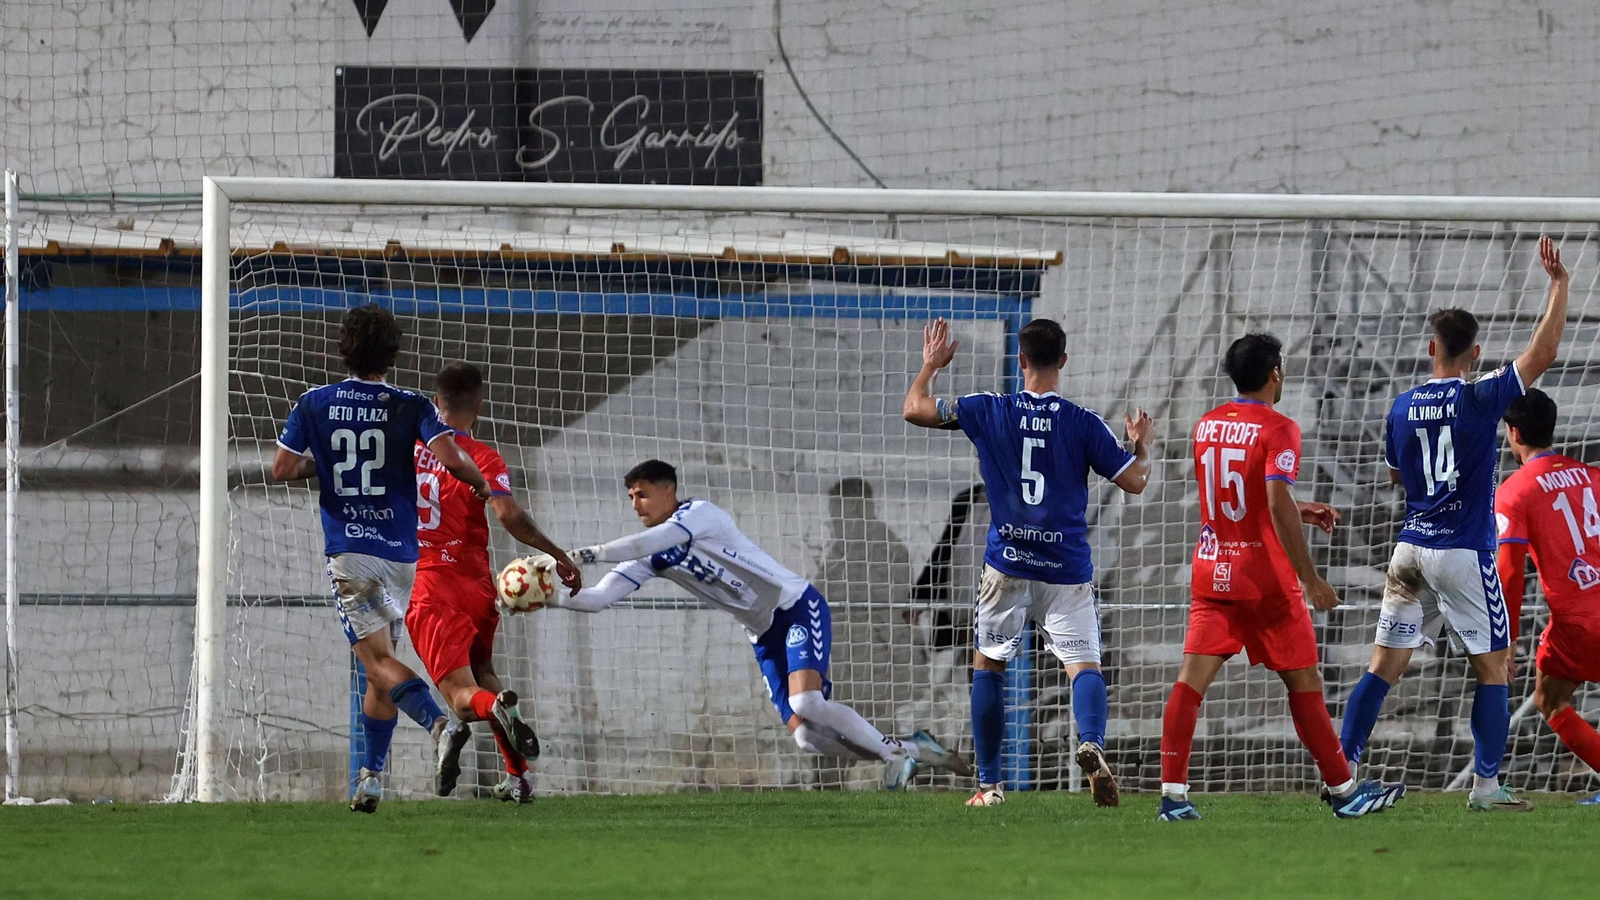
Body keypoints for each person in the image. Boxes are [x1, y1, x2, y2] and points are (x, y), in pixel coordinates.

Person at [548, 460, 971, 787]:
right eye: (630, 498)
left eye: (641, 495)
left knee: (807, 704)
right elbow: (597, 599)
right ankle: (908, 748)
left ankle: (897, 755)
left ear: (668, 491)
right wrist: (548, 597)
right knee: (805, 737)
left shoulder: (701, 514)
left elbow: (655, 539)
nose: (636, 505)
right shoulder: (645, 557)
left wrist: (588, 552)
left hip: (795, 607)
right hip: (764, 634)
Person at [1339, 235, 1569, 812]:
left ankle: (1343, 770)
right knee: (1493, 669)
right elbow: (1540, 357)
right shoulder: (1480, 395)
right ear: (1475, 352)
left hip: (1410, 550)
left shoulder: (1401, 405)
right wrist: (1559, 285)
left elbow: (1395, 477)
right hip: (1464, 550)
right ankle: (1487, 789)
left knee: (1382, 667)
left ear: (1431, 347)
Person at [903, 316, 1151, 807]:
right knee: (1083, 667)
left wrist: (930, 366)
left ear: (1020, 360)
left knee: (988, 667)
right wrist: (1141, 441)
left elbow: (913, 409)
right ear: (1063, 360)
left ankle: (990, 787)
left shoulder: (987, 409)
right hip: (1065, 569)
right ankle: (1092, 744)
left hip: (1007, 564)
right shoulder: (1083, 422)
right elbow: (1136, 480)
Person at [1156, 333, 1405, 821]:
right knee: (1304, 681)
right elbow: (1270, 499)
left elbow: (1235, 498)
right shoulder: (1280, 428)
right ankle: (1344, 793)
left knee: (1189, 684)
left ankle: (1172, 797)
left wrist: (1302, 508)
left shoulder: (1205, 426)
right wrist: (1310, 577)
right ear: (1275, 373)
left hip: (1213, 570)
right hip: (1265, 578)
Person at [270, 303, 489, 813]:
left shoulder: (314, 402)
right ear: (391, 353)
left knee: (374, 660)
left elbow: (282, 467)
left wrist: (329, 469)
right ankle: (370, 777)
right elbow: (449, 455)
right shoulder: (411, 403)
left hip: (351, 550)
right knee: (379, 669)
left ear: (344, 348)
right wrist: (477, 482)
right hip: (402, 553)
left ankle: (438, 726)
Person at [409, 361, 581, 804]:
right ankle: (518, 778)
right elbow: (508, 516)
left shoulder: (406, 446)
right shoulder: (484, 457)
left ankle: (495, 710)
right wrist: (557, 554)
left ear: (436, 402)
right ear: (479, 407)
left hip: (430, 583)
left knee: (463, 698)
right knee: (486, 675)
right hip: (477, 584)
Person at [1495, 388, 1600, 805]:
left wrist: (1507, 639)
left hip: (1577, 622)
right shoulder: (1593, 476)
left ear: (1514, 432)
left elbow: (1510, 572)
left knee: (1550, 700)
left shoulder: (1515, 491)